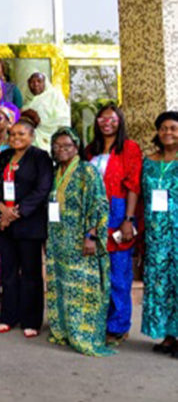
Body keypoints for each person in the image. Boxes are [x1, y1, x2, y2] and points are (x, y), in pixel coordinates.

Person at [45, 127, 113, 356]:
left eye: (67, 146)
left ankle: (83, 334)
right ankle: (64, 330)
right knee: (63, 286)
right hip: (58, 239)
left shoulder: (87, 171)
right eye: (57, 146)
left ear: (76, 148)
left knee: (83, 287)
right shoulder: (55, 172)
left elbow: (98, 204)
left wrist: (91, 235)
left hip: (80, 239)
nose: (61, 150)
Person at [0, 111, 52, 338]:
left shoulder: (40, 157)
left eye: (21, 134)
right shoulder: (4, 158)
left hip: (29, 224)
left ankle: (31, 320)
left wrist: (16, 212)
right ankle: (8, 316)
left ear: (32, 136)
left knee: (31, 274)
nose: (16, 137)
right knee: (8, 272)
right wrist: (1, 209)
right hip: (4, 224)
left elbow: (42, 189)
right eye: (12, 134)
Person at [83, 103, 141, 346]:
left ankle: (118, 326)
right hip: (92, 213)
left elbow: (133, 185)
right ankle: (99, 321)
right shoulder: (90, 150)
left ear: (120, 121)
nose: (106, 123)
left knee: (118, 273)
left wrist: (128, 219)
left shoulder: (129, 148)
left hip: (118, 211)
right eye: (101, 119)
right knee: (95, 273)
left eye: (112, 118)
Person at [141, 111, 178, 356]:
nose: (168, 132)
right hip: (156, 233)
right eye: (163, 128)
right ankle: (167, 334)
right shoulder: (149, 160)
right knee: (160, 282)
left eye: (173, 128)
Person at [24, 71, 71, 152]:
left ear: (45, 83)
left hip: (51, 140)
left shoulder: (54, 95)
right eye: (32, 82)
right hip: (32, 142)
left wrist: (41, 123)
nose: (35, 84)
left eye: (39, 81)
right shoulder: (26, 103)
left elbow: (64, 119)